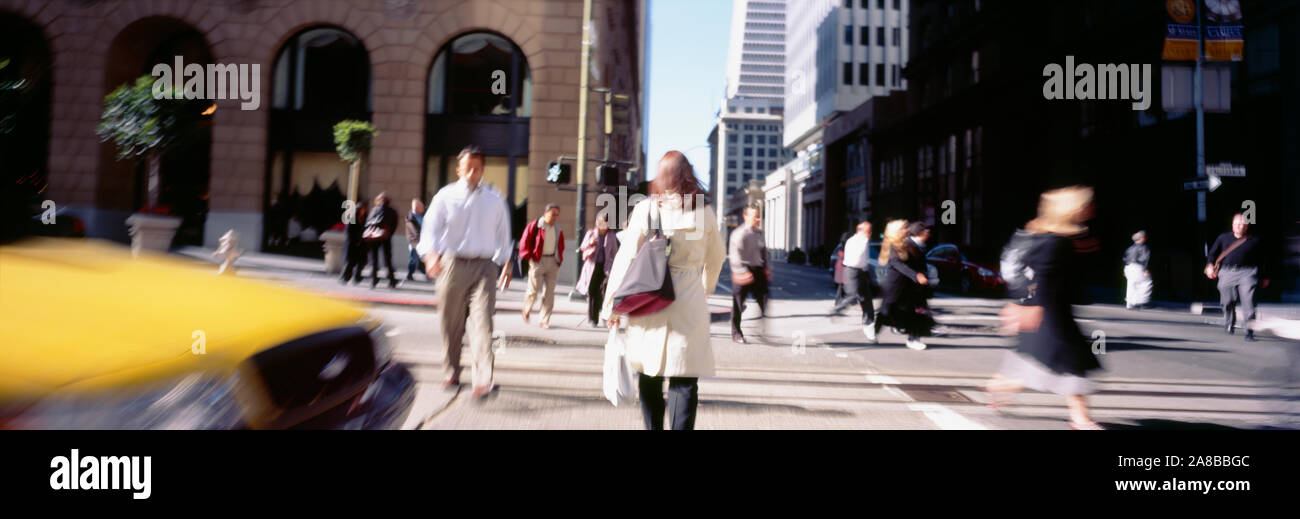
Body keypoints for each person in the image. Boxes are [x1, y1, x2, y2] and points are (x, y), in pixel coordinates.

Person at [602, 151, 726, 430]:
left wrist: (612, 304)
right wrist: (705, 287)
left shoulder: (648, 208)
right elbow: (717, 256)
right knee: (684, 378)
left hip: (650, 295)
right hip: (688, 298)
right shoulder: (703, 211)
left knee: (650, 372)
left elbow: (627, 256)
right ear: (687, 173)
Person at [985, 186, 1104, 430]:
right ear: (1073, 209)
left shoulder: (1060, 237)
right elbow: (1039, 276)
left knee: (1047, 362)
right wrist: (1030, 305)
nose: (1091, 208)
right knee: (1068, 363)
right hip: (1047, 310)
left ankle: (1002, 384)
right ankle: (1080, 418)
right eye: (1087, 204)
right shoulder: (1053, 241)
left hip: (1055, 309)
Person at [418, 145, 513, 399]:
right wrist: (430, 257)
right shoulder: (444, 197)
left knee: (484, 323)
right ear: (459, 169)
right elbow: (430, 230)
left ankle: (484, 378)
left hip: (484, 267)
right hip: (452, 264)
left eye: (478, 168)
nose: (473, 172)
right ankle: (451, 371)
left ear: (483, 170)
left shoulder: (495, 199)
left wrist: (506, 262)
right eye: (468, 168)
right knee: (451, 324)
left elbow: (504, 234)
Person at [1205, 213, 1269, 341]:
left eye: (1242, 224)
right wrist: (1209, 265)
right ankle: (1229, 321)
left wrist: (1265, 276)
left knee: (1249, 303)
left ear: (1247, 226)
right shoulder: (1223, 238)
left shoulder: (1254, 240)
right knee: (1227, 302)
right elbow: (1212, 254)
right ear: (1232, 225)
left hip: (1248, 273)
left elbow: (1263, 260)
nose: (1239, 226)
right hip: (1227, 272)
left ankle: (1249, 331)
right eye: (1236, 223)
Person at [874, 220, 935, 350]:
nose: (907, 230)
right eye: (904, 228)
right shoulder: (894, 245)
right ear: (896, 232)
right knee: (886, 312)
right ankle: (875, 331)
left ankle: (913, 339)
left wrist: (920, 277)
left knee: (915, 312)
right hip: (895, 286)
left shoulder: (908, 243)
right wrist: (916, 276)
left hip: (909, 286)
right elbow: (898, 264)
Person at [728, 205, 771, 343]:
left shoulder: (759, 233)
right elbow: (734, 255)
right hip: (742, 270)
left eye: (759, 216)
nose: (758, 219)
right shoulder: (739, 233)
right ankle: (736, 333)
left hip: (758, 270)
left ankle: (761, 331)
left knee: (764, 300)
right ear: (745, 217)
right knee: (738, 304)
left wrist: (766, 268)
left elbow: (764, 252)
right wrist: (741, 272)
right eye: (755, 216)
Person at [519, 203, 565, 328]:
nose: (555, 217)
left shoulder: (557, 228)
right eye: (553, 214)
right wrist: (529, 258)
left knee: (549, 293)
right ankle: (527, 308)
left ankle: (544, 319)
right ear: (545, 213)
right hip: (537, 261)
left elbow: (561, 245)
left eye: (557, 215)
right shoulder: (535, 226)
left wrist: (559, 260)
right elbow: (525, 241)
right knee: (534, 290)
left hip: (552, 262)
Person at [831, 221, 877, 342]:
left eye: (870, 231)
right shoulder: (856, 240)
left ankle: (869, 329)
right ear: (860, 231)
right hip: (851, 271)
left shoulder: (863, 240)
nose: (870, 233)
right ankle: (838, 309)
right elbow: (856, 259)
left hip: (861, 272)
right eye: (868, 231)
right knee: (852, 295)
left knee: (867, 302)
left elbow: (864, 259)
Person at [577, 213, 620, 327]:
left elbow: (614, 253)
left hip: (604, 268)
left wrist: (613, 267)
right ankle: (593, 318)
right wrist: (590, 242)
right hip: (591, 266)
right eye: (599, 221)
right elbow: (582, 247)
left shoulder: (611, 236)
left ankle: (602, 315)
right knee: (592, 291)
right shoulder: (591, 233)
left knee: (601, 292)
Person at [364, 192, 399, 289]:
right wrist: (389, 234)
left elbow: (367, 223)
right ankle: (392, 281)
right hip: (386, 237)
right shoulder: (392, 211)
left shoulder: (374, 210)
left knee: (374, 260)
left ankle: (373, 280)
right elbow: (394, 224)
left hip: (374, 238)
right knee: (388, 260)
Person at [339, 200, 369, 285]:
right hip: (352, 244)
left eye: (364, 209)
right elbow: (349, 231)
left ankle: (357, 278)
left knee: (361, 262)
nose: (363, 210)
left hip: (362, 244)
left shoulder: (365, 218)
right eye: (361, 209)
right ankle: (345, 278)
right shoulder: (352, 218)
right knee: (350, 262)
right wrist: (355, 240)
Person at [1123, 230, 1153, 309]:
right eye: (1144, 237)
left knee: (1131, 285)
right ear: (1141, 238)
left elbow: (1125, 258)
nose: (1145, 238)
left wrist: (1124, 269)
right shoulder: (1143, 247)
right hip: (1138, 267)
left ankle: (1129, 302)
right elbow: (1144, 258)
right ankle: (1141, 302)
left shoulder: (1130, 248)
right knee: (1146, 282)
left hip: (1128, 267)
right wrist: (1146, 269)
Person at [406, 198, 427, 282]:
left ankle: (425, 272)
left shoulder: (423, 215)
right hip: (414, 241)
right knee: (413, 258)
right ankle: (410, 273)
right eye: (421, 206)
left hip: (423, 240)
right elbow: (414, 232)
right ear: (416, 207)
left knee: (423, 257)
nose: (423, 208)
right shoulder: (410, 218)